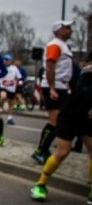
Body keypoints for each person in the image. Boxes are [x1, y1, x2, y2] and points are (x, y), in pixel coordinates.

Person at [30, 63, 92, 205]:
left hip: (88, 117)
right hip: (70, 115)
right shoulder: (86, 72)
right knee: (63, 152)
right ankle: (40, 184)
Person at [32, 21, 74, 164]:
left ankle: (46, 148)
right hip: (54, 86)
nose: (70, 30)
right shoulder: (55, 45)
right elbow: (50, 66)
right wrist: (51, 88)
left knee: (59, 120)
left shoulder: (64, 46)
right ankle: (40, 150)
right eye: (67, 28)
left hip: (62, 86)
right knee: (54, 120)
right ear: (58, 30)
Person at [0, 53, 23, 125]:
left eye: (7, 60)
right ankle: (0, 107)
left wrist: (20, 82)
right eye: (5, 60)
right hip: (3, 86)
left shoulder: (14, 68)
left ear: (11, 61)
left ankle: (10, 118)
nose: (6, 61)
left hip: (12, 88)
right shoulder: (0, 67)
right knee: (3, 96)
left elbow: (19, 77)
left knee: (11, 103)